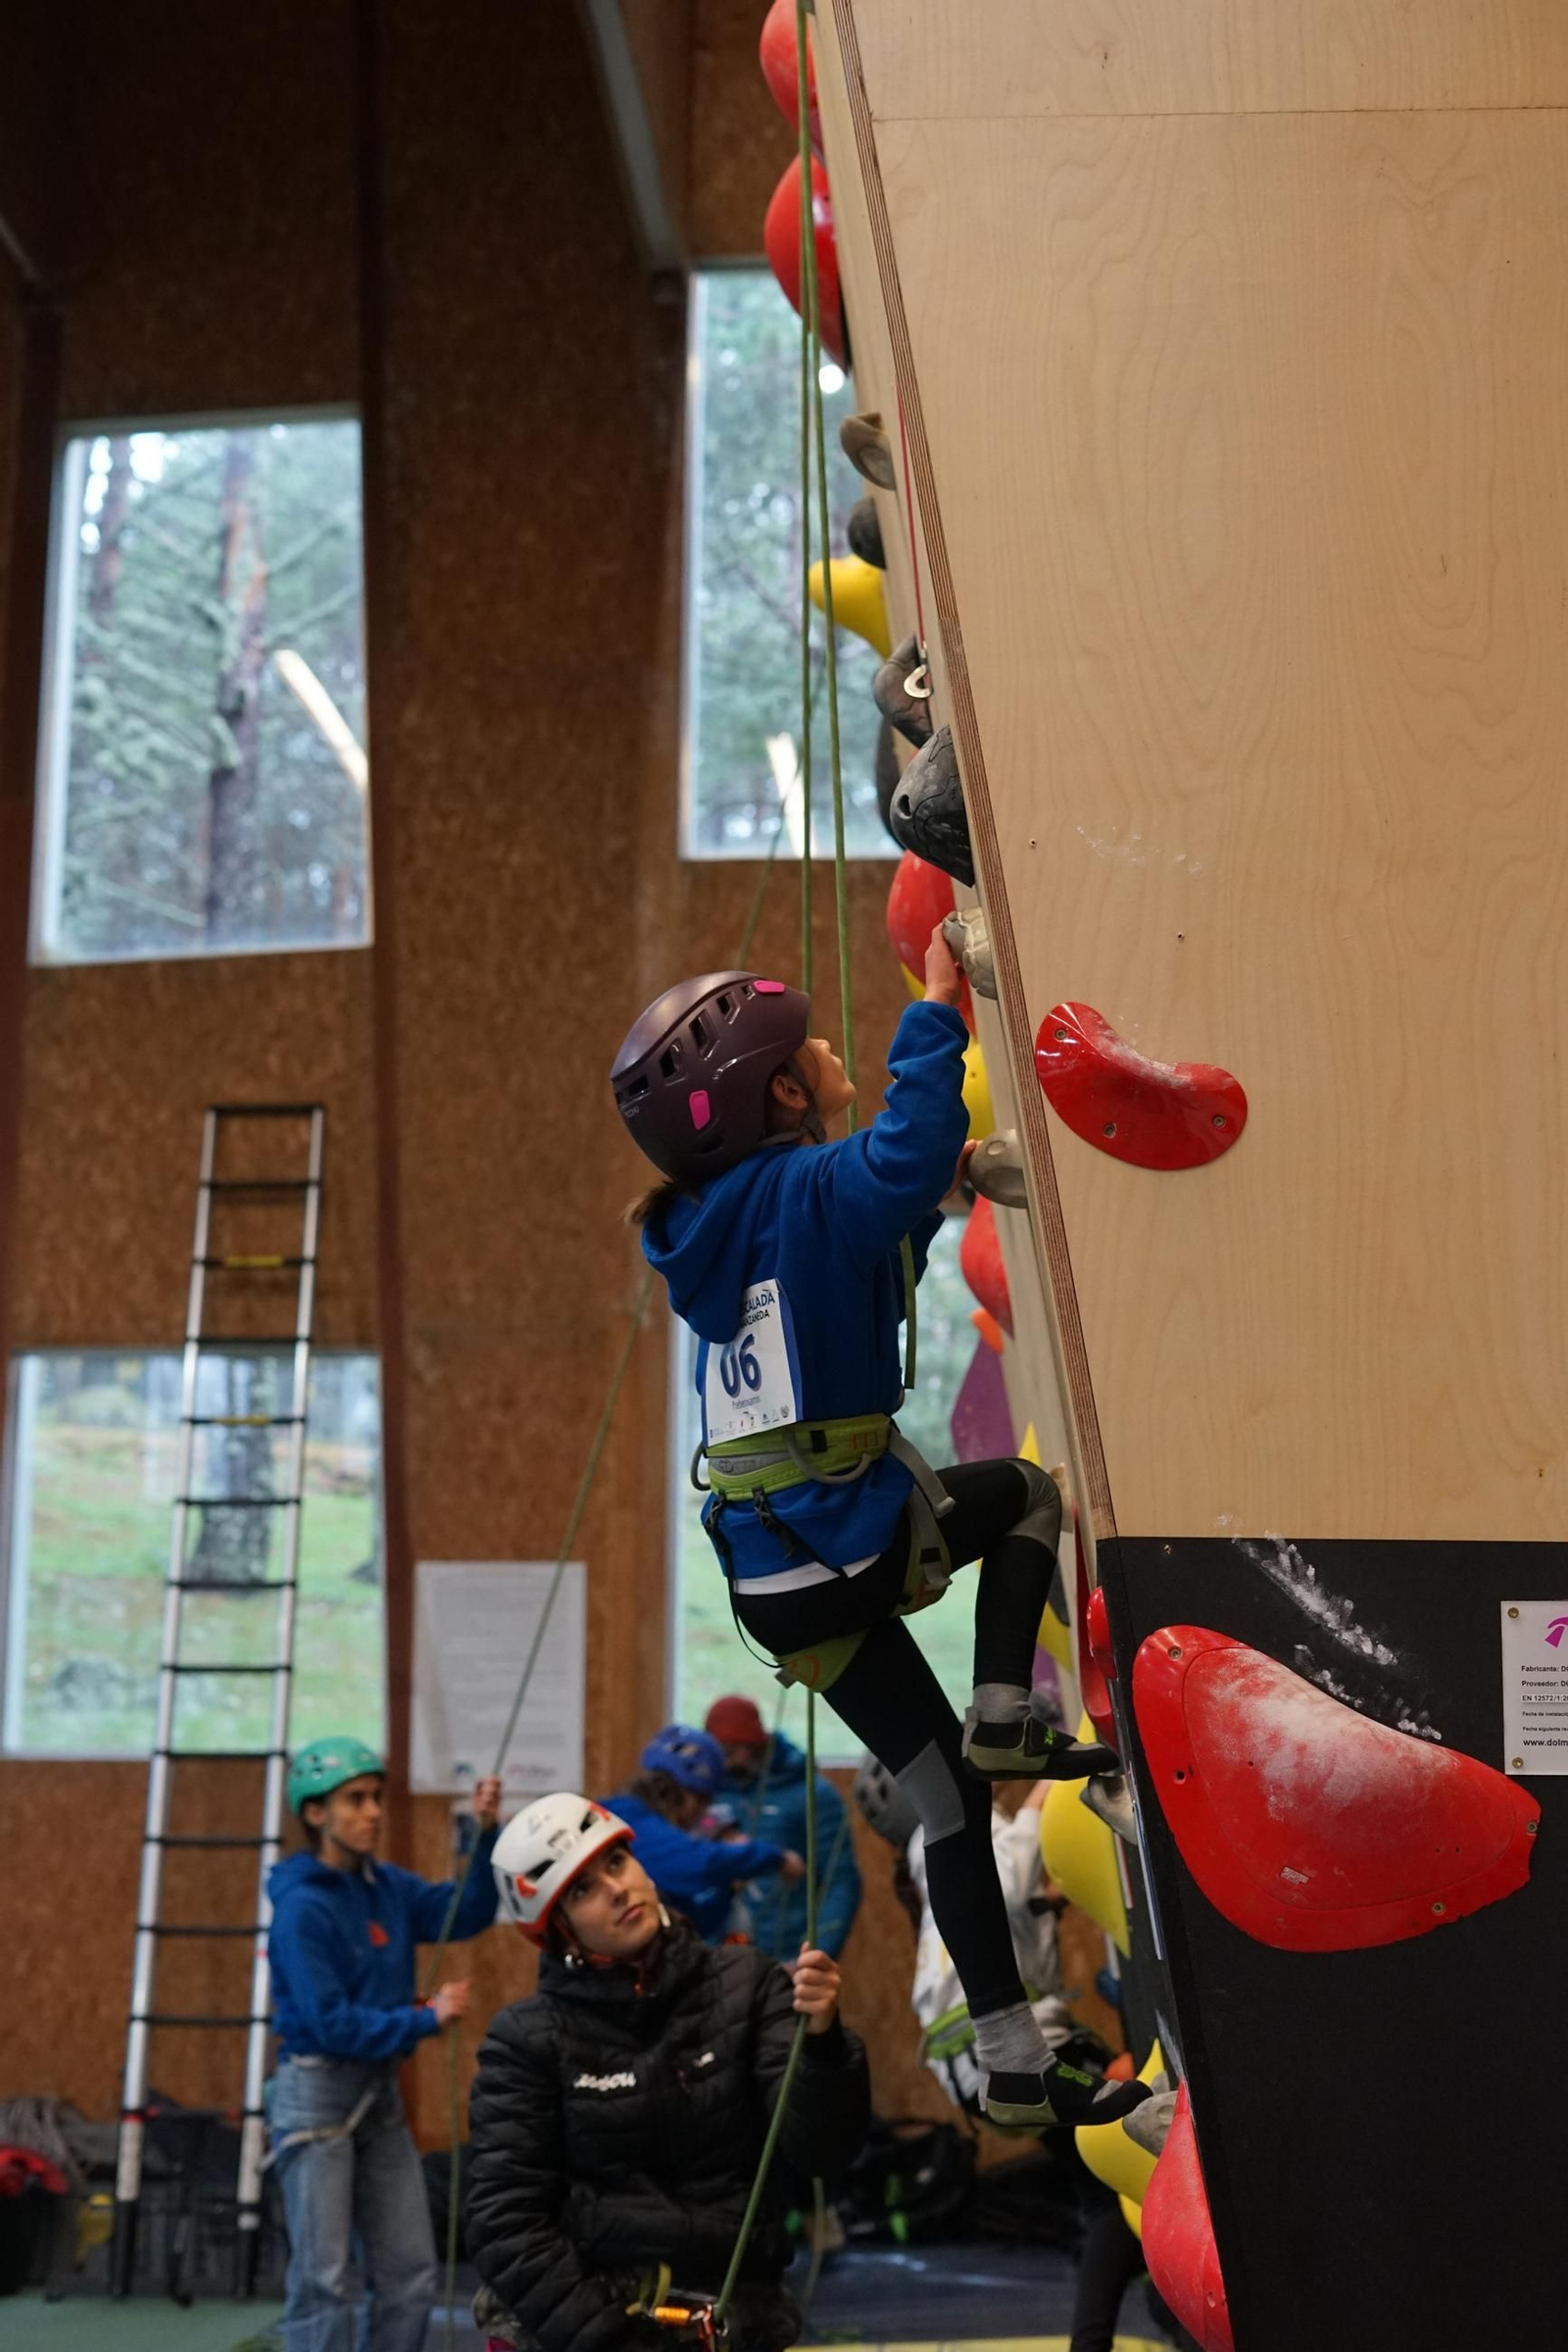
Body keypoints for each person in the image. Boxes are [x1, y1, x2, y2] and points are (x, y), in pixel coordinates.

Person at [611, 942, 1147, 2134]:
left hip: (774, 1582)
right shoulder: (801, 1191)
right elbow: (893, 1164)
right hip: (840, 1536)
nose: (826, 1044)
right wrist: (937, 1006)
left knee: (944, 1804)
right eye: (808, 1043)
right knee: (1028, 1496)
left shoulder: (712, 1226)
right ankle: (1005, 1705)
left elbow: (866, 1236)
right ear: (786, 1096)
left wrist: (950, 1172)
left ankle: (1008, 2056)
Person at [467, 1791, 869, 2352]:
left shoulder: (747, 1984)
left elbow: (822, 2150)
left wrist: (825, 2044)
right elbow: (505, 2223)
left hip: (729, 2307)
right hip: (592, 2318)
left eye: (615, 1862)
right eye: (582, 1889)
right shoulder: (527, 2040)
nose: (615, 1889)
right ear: (558, 1931)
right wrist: (610, 2340)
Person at [267, 1734, 502, 2352]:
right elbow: (330, 2024)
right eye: (355, 1800)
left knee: (411, 2272)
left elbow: (465, 1914)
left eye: (375, 1797)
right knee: (326, 2280)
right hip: (317, 2097)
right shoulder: (302, 1910)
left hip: (376, 2096)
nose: (373, 1811)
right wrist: (423, 2019)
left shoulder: (385, 1887)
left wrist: (482, 1838)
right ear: (315, 1814)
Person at [607, 1725, 805, 1943]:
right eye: (703, 1801)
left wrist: (727, 1887)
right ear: (686, 1793)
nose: (701, 1815)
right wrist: (776, 1858)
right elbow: (701, 1863)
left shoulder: (649, 1831)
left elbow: (695, 1923)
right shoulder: (626, 1817)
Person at [706, 1694, 861, 1960]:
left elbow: (841, 1882)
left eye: (737, 1750)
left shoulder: (813, 1794)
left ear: (759, 1742)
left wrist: (814, 1956)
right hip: (716, 1957)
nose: (732, 1762)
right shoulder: (707, 1792)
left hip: (785, 1959)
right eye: (723, 1754)